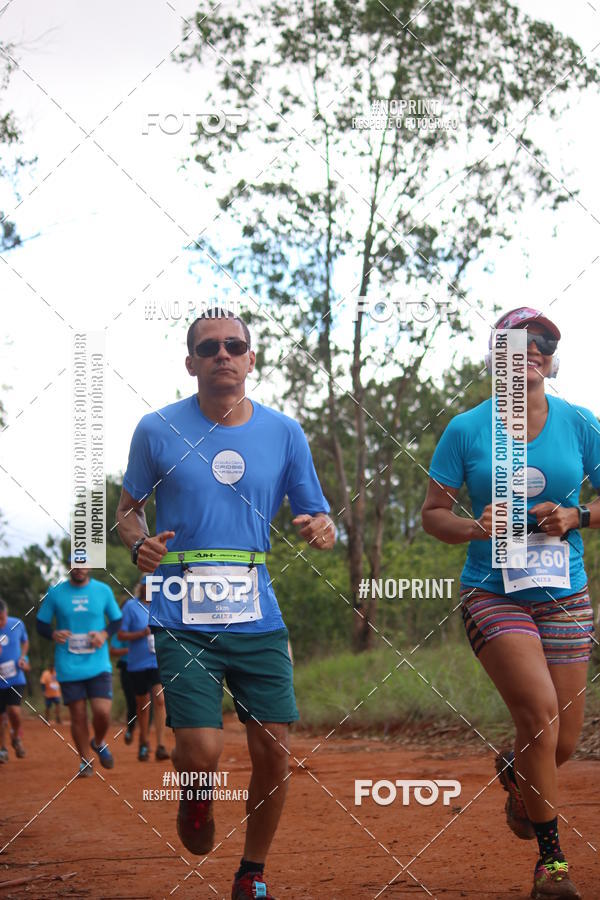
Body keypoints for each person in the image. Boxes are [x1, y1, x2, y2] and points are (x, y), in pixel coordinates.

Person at [116, 309, 335, 900]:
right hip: (180, 611)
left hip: (256, 611)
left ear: (251, 359)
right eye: (209, 347)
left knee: (274, 750)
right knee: (201, 750)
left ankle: (252, 871)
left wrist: (321, 527)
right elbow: (127, 511)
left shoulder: (284, 432)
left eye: (235, 345)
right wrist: (138, 543)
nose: (223, 354)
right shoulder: (156, 429)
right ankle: (195, 799)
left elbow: (318, 512)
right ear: (191, 362)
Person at [422, 307, 599, 900]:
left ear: (552, 357)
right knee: (540, 717)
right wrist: (476, 527)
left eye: (542, 342)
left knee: (561, 741)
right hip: (493, 592)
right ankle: (553, 867)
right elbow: (433, 516)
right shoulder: (466, 429)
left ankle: (517, 770)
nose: (530, 351)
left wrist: (577, 516)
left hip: (564, 592)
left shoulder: (580, 423)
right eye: (515, 343)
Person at [36, 566, 122, 777]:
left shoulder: (103, 590)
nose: (79, 569)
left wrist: (104, 634)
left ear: (89, 565)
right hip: (68, 664)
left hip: (98, 663)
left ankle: (98, 742)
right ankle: (85, 761)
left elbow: (117, 620)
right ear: (69, 565)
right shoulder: (55, 592)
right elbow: (41, 623)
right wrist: (53, 633)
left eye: (83, 564)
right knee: (78, 714)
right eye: (75, 564)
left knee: (102, 713)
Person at [118, 579, 169, 761]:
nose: (150, 589)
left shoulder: (161, 606)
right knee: (143, 704)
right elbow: (121, 634)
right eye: (147, 585)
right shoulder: (131, 607)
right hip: (137, 663)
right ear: (141, 587)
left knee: (160, 700)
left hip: (156, 661)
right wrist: (141, 633)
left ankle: (161, 746)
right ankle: (144, 742)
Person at [0, 599, 29, 761]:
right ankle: (2, 749)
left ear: (6, 613)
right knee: (1, 718)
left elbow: (25, 641)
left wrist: (23, 657)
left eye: (2, 618)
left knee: (14, 712)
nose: (0, 622)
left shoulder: (17, 624)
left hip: (15, 678)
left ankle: (16, 736)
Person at [110, 596, 137, 745]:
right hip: (127, 667)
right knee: (132, 701)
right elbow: (113, 650)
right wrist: (131, 650)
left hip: (148, 667)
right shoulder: (120, 631)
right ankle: (131, 729)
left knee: (151, 700)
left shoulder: (146, 624)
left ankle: (145, 738)